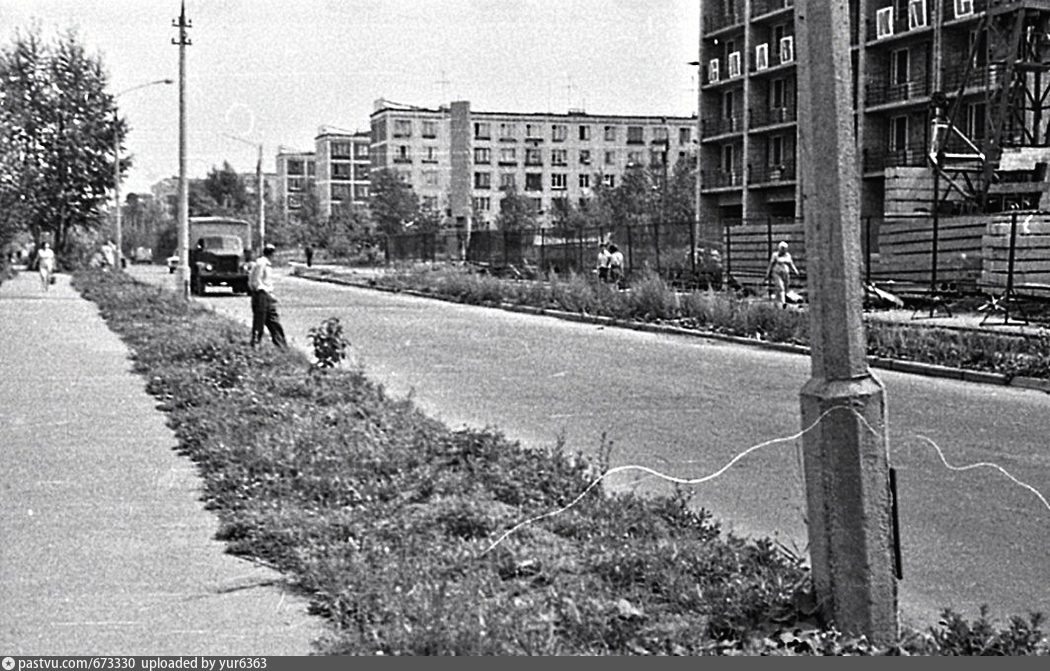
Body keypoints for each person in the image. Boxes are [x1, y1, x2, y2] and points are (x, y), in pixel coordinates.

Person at [248, 243, 287, 349]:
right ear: (272, 254)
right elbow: (256, 280)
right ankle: (255, 345)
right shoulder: (261, 263)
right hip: (261, 295)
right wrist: (262, 293)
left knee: (273, 321)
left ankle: (281, 346)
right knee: (259, 321)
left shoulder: (266, 263)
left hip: (267, 295)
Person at [765, 240, 800, 308]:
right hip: (777, 273)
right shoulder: (775, 255)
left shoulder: (788, 255)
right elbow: (771, 265)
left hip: (785, 274)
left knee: (786, 289)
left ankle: (777, 302)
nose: (783, 250)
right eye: (782, 248)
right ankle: (783, 303)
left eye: (784, 248)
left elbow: (791, 264)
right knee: (781, 288)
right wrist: (768, 273)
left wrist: (796, 271)